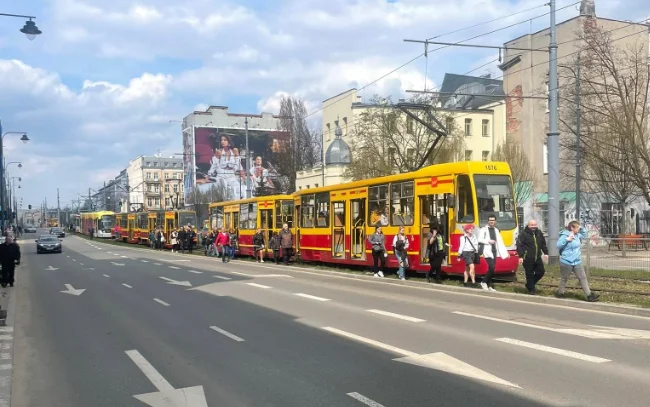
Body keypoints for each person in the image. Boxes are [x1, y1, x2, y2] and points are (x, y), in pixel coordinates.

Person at [557, 221, 599, 302]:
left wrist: (581, 228)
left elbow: (585, 235)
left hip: (577, 261)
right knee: (564, 278)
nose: (578, 229)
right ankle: (560, 293)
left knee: (583, 278)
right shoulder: (565, 235)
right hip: (566, 261)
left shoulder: (578, 235)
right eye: (577, 227)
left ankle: (589, 295)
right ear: (572, 228)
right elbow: (558, 245)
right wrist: (567, 239)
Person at [478, 215, 510, 291]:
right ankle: (483, 282)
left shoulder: (496, 230)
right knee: (491, 267)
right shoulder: (483, 229)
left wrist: (506, 253)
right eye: (490, 220)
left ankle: (489, 286)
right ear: (488, 221)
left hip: (494, 251)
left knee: (492, 269)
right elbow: (479, 239)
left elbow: (500, 242)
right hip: (487, 251)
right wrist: (488, 241)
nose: (491, 221)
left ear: (495, 221)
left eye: (493, 220)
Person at [517, 219, 548, 295]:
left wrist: (546, 253)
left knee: (541, 272)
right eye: (532, 225)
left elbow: (543, 243)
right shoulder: (523, 234)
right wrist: (521, 256)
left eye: (535, 225)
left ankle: (529, 285)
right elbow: (519, 246)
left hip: (537, 257)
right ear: (528, 225)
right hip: (527, 257)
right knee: (529, 274)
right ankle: (531, 290)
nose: (533, 226)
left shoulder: (539, 233)